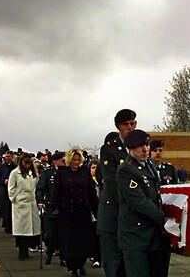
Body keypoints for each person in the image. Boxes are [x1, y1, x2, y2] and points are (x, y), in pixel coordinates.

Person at [116, 129, 167, 277]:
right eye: (140, 146)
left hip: (154, 235)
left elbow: (156, 195)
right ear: (131, 148)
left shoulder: (149, 163)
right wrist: (163, 219)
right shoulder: (126, 170)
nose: (145, 149)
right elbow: (139, 202)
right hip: (136, 237)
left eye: (146, 145)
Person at [98, 109, 137, 277]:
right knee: (114, 260)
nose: (130, 127)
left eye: (132, 123)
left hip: (133, 213)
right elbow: (113, 181)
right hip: (114, 209)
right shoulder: (109, 149)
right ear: (117, 126)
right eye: (126, 124)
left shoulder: (139, 147)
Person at [53, 148, 99, 277]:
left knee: (83, 241)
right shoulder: (62, 173)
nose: (76, 162)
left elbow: (91, 192)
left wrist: (96, 210)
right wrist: (56, 206)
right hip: (67, 212)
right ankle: (72, 267)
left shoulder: (85, 172)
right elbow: (56, 191)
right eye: (74, 160)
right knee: (70, 242)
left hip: (83, 211)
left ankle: (81, 264)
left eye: (78, 160)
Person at [9, 153, 42, 260]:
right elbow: (11, 188)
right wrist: (15, 199)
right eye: (25, 163)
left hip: (32, 203)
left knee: (31, 229)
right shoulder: (15, 173)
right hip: (20, 204)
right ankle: (22, 251)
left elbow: (37, 186)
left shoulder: (34, 173)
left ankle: (29, 248)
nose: (27, 165)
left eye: (29, 163)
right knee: (21, 230)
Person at [36, 150, 66, 265]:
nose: (64, 163)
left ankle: (63, 256)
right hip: (50, 207)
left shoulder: (67, 172)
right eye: (62, 161)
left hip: (63, 207)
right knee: (49, 234)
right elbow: (40, 188)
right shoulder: (48, 173)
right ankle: (49, 251)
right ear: (56, 161)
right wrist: (40, 201)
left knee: (63, 233)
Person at [0, 151, 18, 233]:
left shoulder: (16, 167)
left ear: (12, 157)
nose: (7, 158)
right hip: (4, 190)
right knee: (5, 208)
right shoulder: (1, 167)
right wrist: (3, 181)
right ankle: (6, 225)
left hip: (13, 191)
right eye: (6, 156)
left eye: (9, 156)